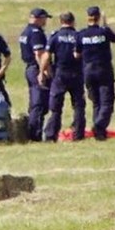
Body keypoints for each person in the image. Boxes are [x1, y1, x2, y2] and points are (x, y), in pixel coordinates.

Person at [41, 11, 86, 141]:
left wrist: (42, 71)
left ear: (61, 22)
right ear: (73, 22)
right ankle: (78, 135)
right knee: (78, 106)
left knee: (55, 108)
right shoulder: (78, 36)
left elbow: (47, 55)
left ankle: (51, 135)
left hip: (60, 75)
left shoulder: (55, 36)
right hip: (76, 74)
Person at [79, 5, 115, 140]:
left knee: (96, 102)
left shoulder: (82, 34)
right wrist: (106, 26)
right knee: (107, 102)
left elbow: (77, 53)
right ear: (98, 17)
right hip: (103, 69)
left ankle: (99, 133)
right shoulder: (104, 32)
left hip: (88, 70)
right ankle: (99, 125)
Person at [18, 7, 51, 141]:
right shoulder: (36, 32)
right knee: (39, 102)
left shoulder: (25, 31)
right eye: (44, 18)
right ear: (38, 18)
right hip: (36, 69)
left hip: (30, 68)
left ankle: (33, 131)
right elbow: (39, 53)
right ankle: (34, 134)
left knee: (34, 102)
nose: (45, 21)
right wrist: (44, 71)